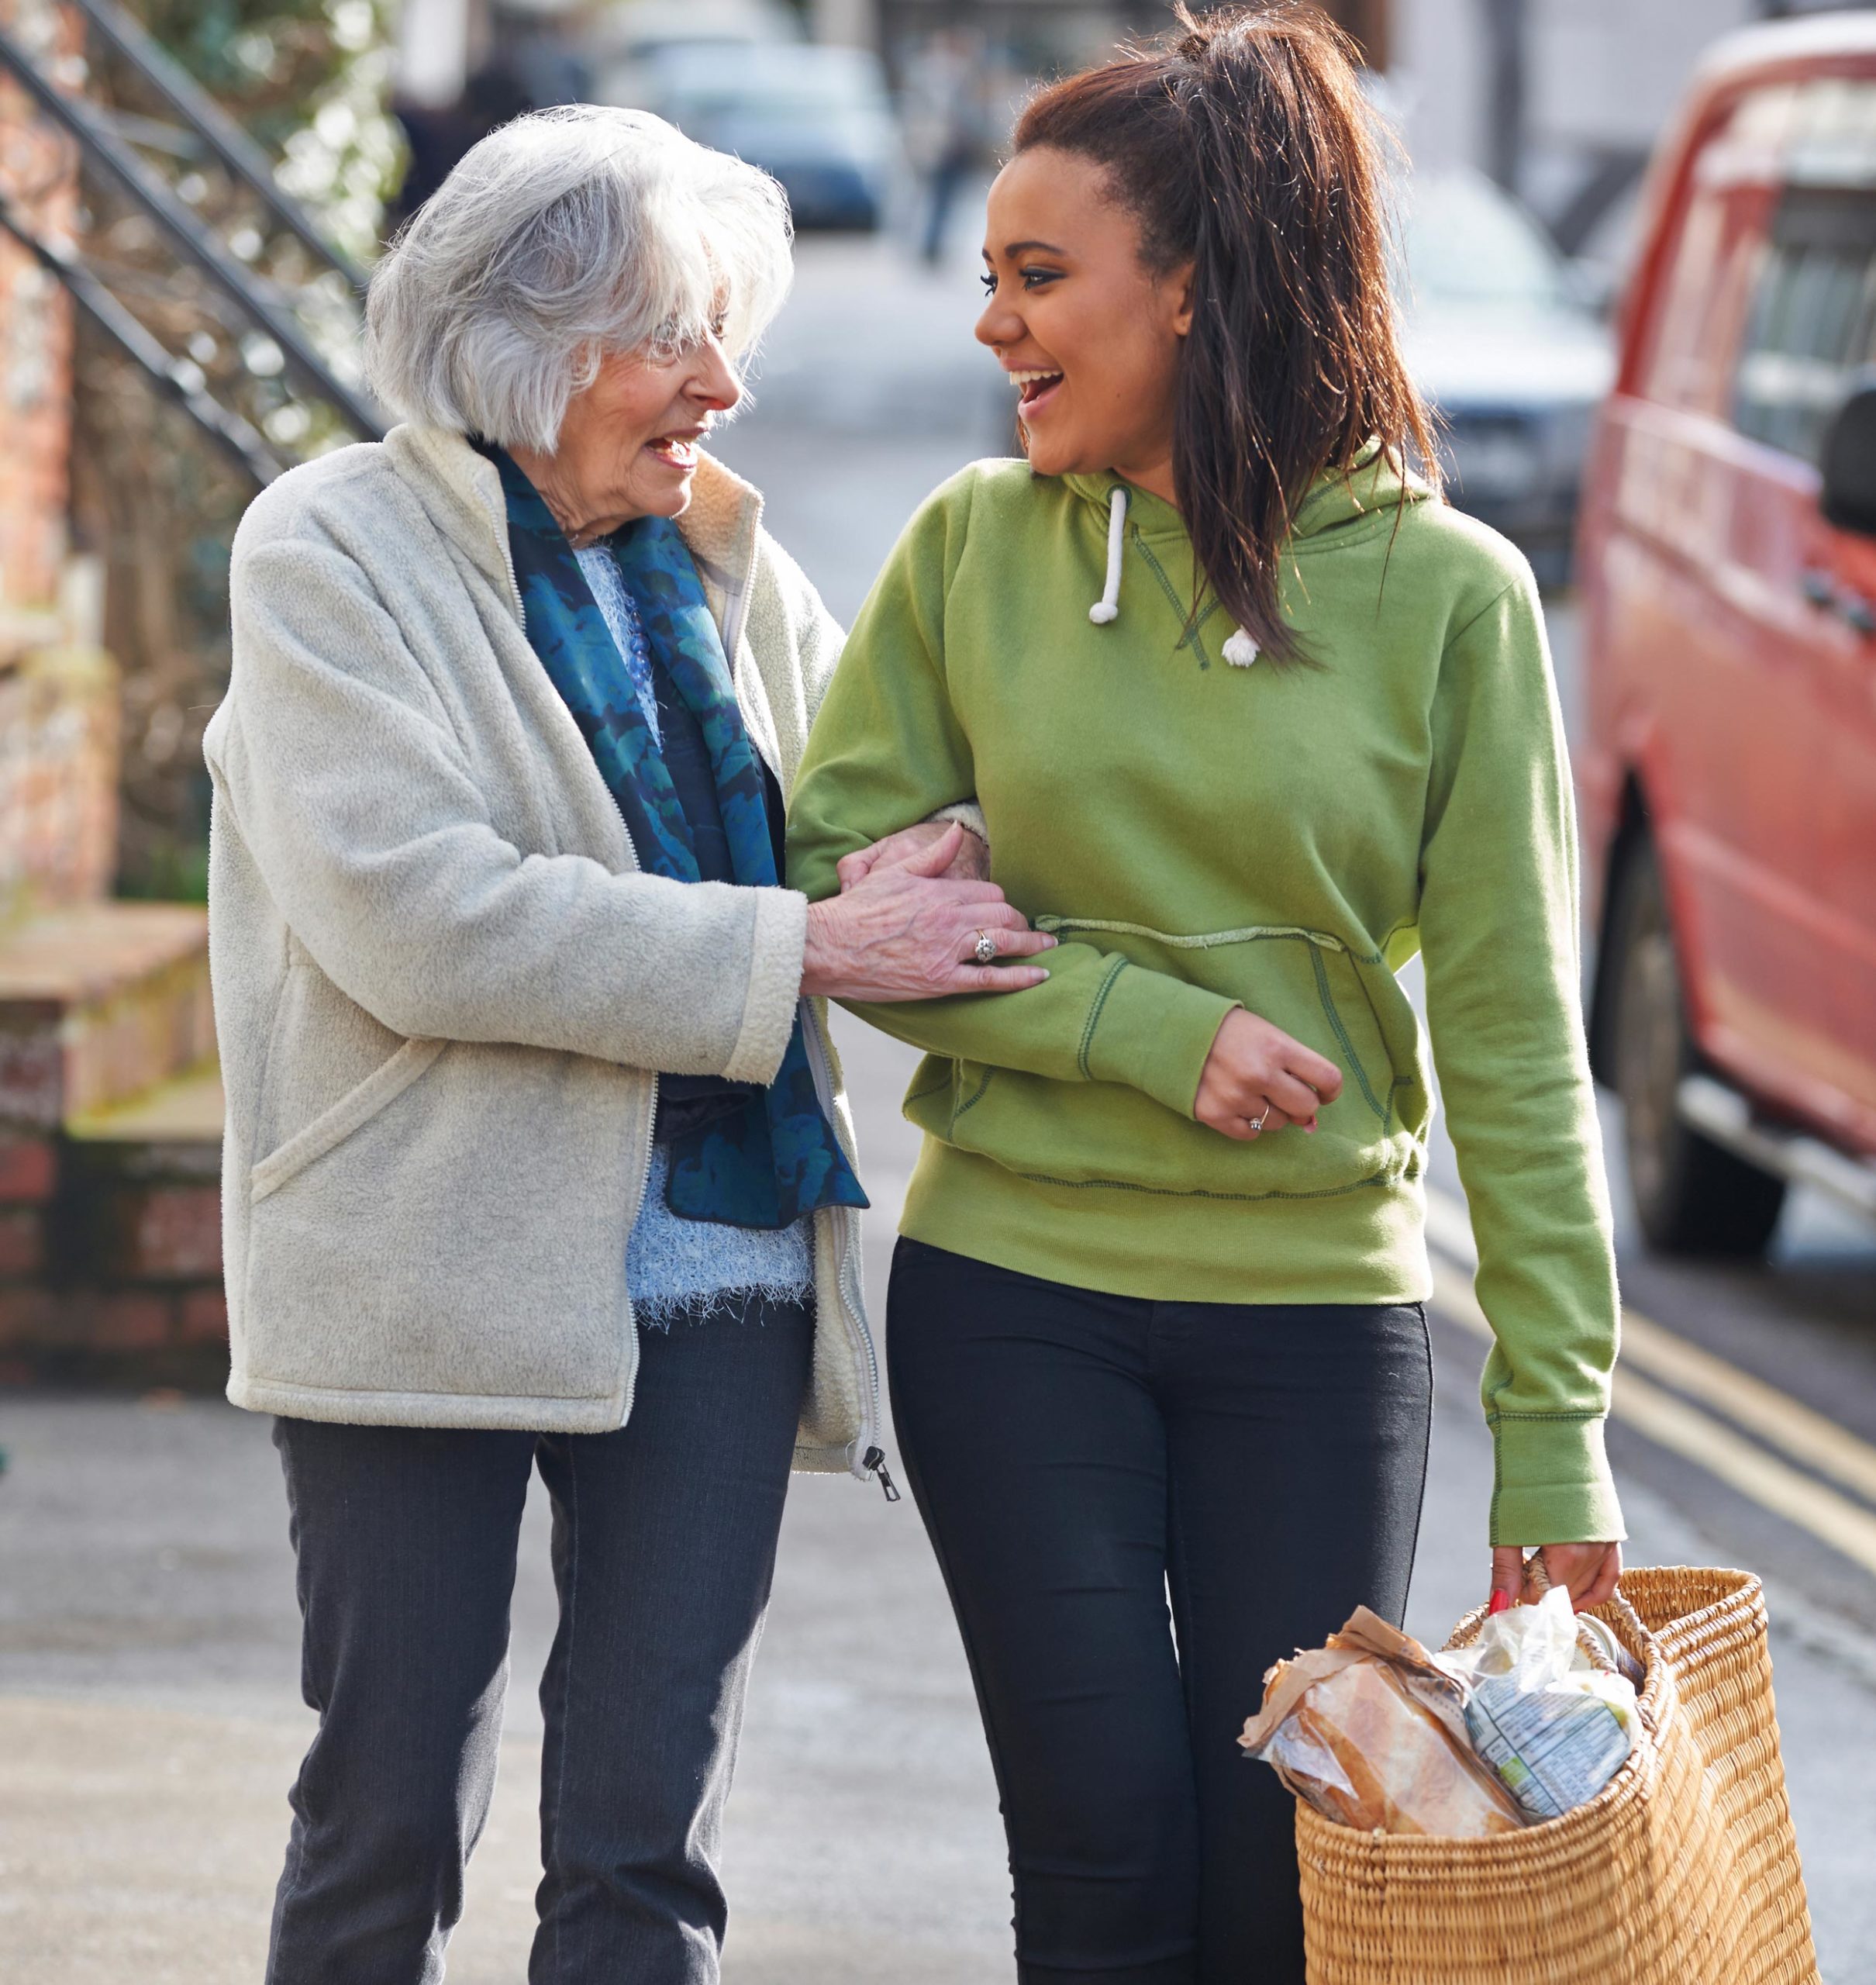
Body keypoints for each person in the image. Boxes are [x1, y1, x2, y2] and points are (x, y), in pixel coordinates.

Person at [786, 11, 1625, 1981]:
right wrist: (1140, 1031)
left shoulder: (1454, 600)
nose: (992, 324)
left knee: (1277, 1896)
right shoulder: (972, 553)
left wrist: (1556, 1433)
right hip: (1015, 1302)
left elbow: (1514, 1043)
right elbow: (838, 892)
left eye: (1039, 275)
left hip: (1314, 1324)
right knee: (1100, 1866)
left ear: (1195, 286)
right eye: (990, 272)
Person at [202, 105, 1043, 1985]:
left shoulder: (727, 557)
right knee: (387, 1810)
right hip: (423, 1264)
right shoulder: (329, 553)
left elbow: (853, 807)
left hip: (727, 1267)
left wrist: (927, 848)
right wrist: (809, 939)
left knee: (647, 1846)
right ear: (531, 344)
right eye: (677, 338)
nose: (724, 387)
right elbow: (420, 912)